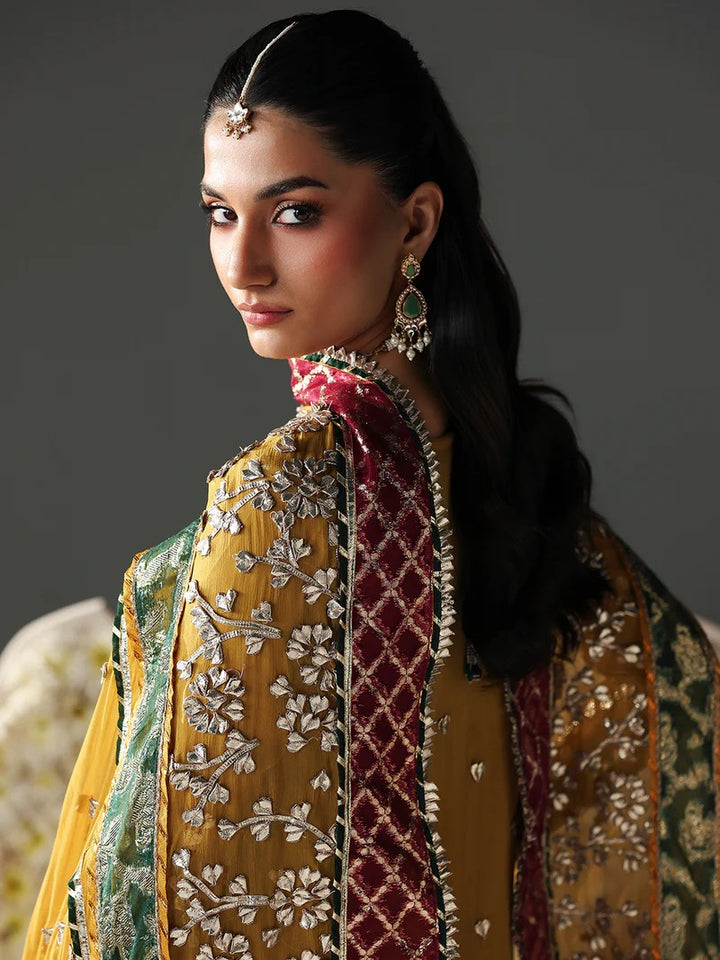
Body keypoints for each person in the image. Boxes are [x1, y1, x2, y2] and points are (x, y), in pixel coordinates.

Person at [22, 10, 719, 960]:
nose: (241, 262)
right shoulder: (524, 482)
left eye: (295, 211)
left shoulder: (279, 501)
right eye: (219, 212)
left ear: (416, 220)